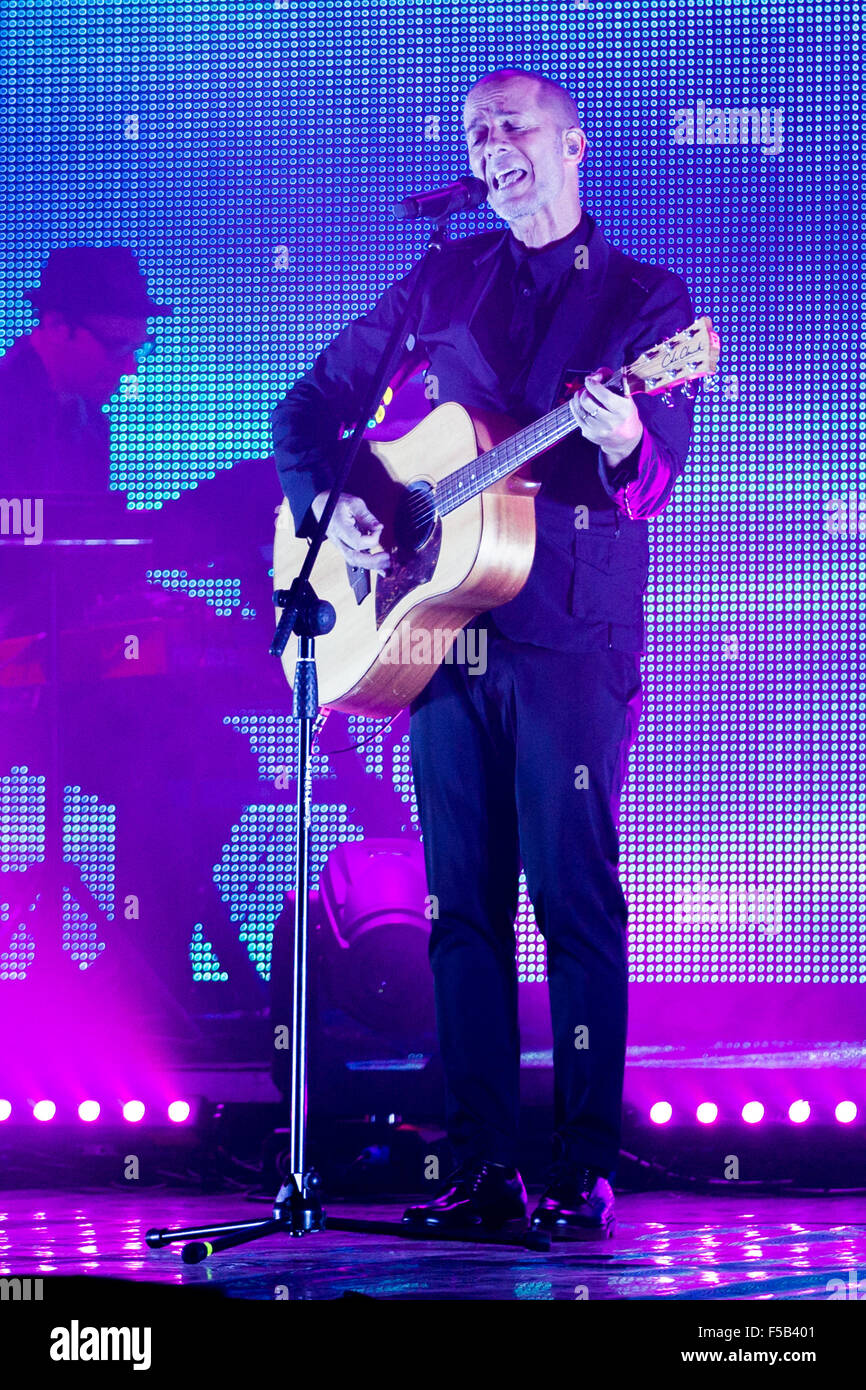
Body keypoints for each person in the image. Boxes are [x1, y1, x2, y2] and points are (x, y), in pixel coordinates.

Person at [272, 67, 697, 1239]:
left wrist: (620, 443)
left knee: (571, 900)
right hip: (440, 625)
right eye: (475, 133)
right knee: (461, 908)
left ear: (573, 147)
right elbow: (309, 410)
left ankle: (577, 1163)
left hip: (567, 633)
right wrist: (350, 501)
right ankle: (477, 1164)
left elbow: (654, 478)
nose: (492, 144)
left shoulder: (646, 307)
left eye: (512, 126)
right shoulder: (443, 278)